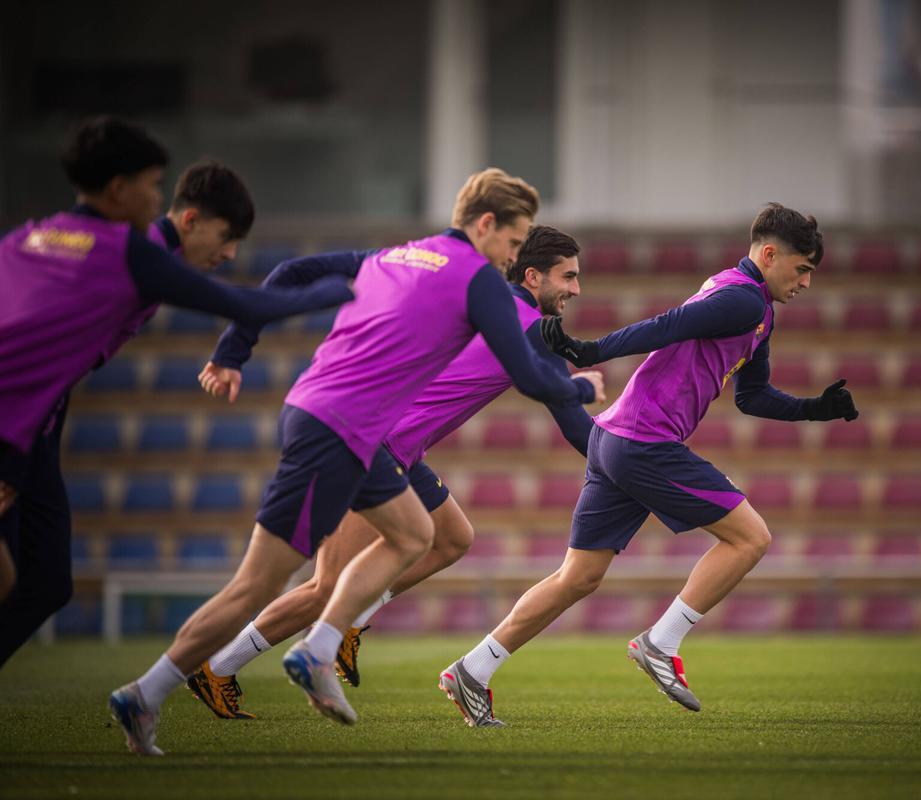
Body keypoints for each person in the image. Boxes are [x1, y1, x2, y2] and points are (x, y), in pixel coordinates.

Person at [109, 169, 596, 755]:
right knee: (295, 586)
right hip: (355, 434)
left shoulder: (403, 255)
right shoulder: (484, 285)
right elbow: (532, 377)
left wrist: (234, 350)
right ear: (486, 225)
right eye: (514, 246)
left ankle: (321, 641)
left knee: (435, 535)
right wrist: (583, 392)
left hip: (350, 427)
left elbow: (290, 274)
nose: (513, 260)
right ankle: (217, 669)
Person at [440, 203, 859, 726]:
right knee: (750, 538)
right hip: (644, 440)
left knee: (578, 577)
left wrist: (815, 409)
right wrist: (590, 350)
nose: (806, 282)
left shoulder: (755, 309)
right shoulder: (741, 298)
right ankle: (661, 643)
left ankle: (472, 669)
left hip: (614, 439)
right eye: (802, 268)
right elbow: (666, 325)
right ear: (770, 255)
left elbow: (753, 397)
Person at [0, 119, 350, 668]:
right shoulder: (128, 253)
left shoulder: (31, 235)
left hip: (33, 429)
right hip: (13, 431)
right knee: (23, 581)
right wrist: (351, 284)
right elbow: (250, 306)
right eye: (151, 184)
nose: (231, 253)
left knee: (44, 583)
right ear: (122, 190)